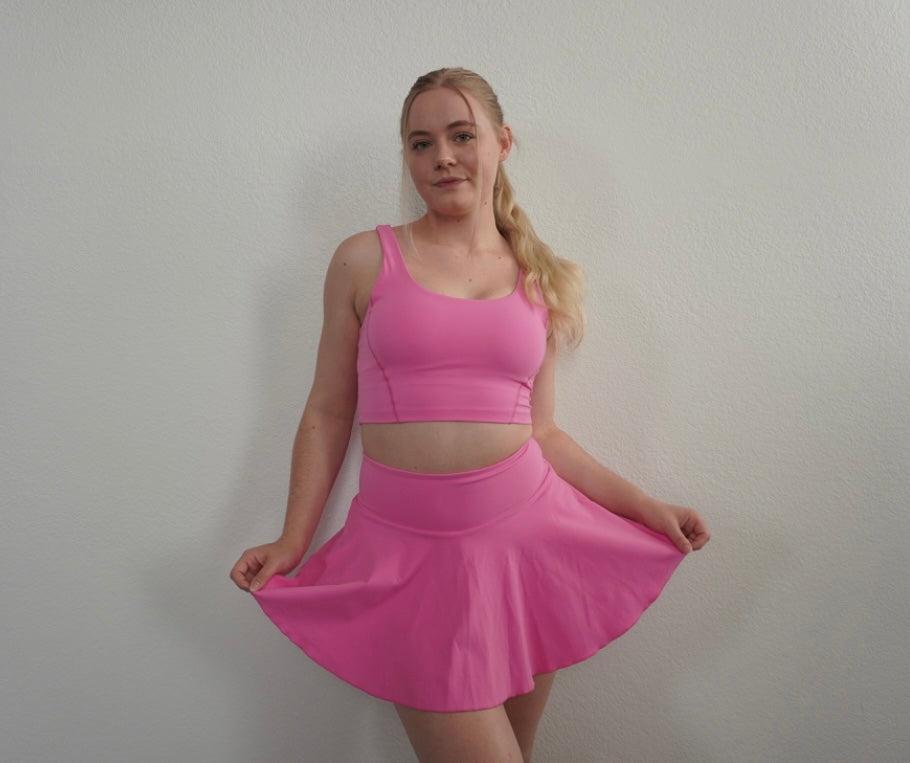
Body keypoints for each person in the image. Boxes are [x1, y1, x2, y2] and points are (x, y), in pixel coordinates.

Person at [230, 67, 710, 763]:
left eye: (462, 136)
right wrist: (292, 540)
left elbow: (543, 433)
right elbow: (329, 410)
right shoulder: (364, 260)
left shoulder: (539, 276)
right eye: (421, 143)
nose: (443, 157)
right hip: (409, 558)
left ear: (502, 142)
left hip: (525, 551)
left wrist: (646, 506)